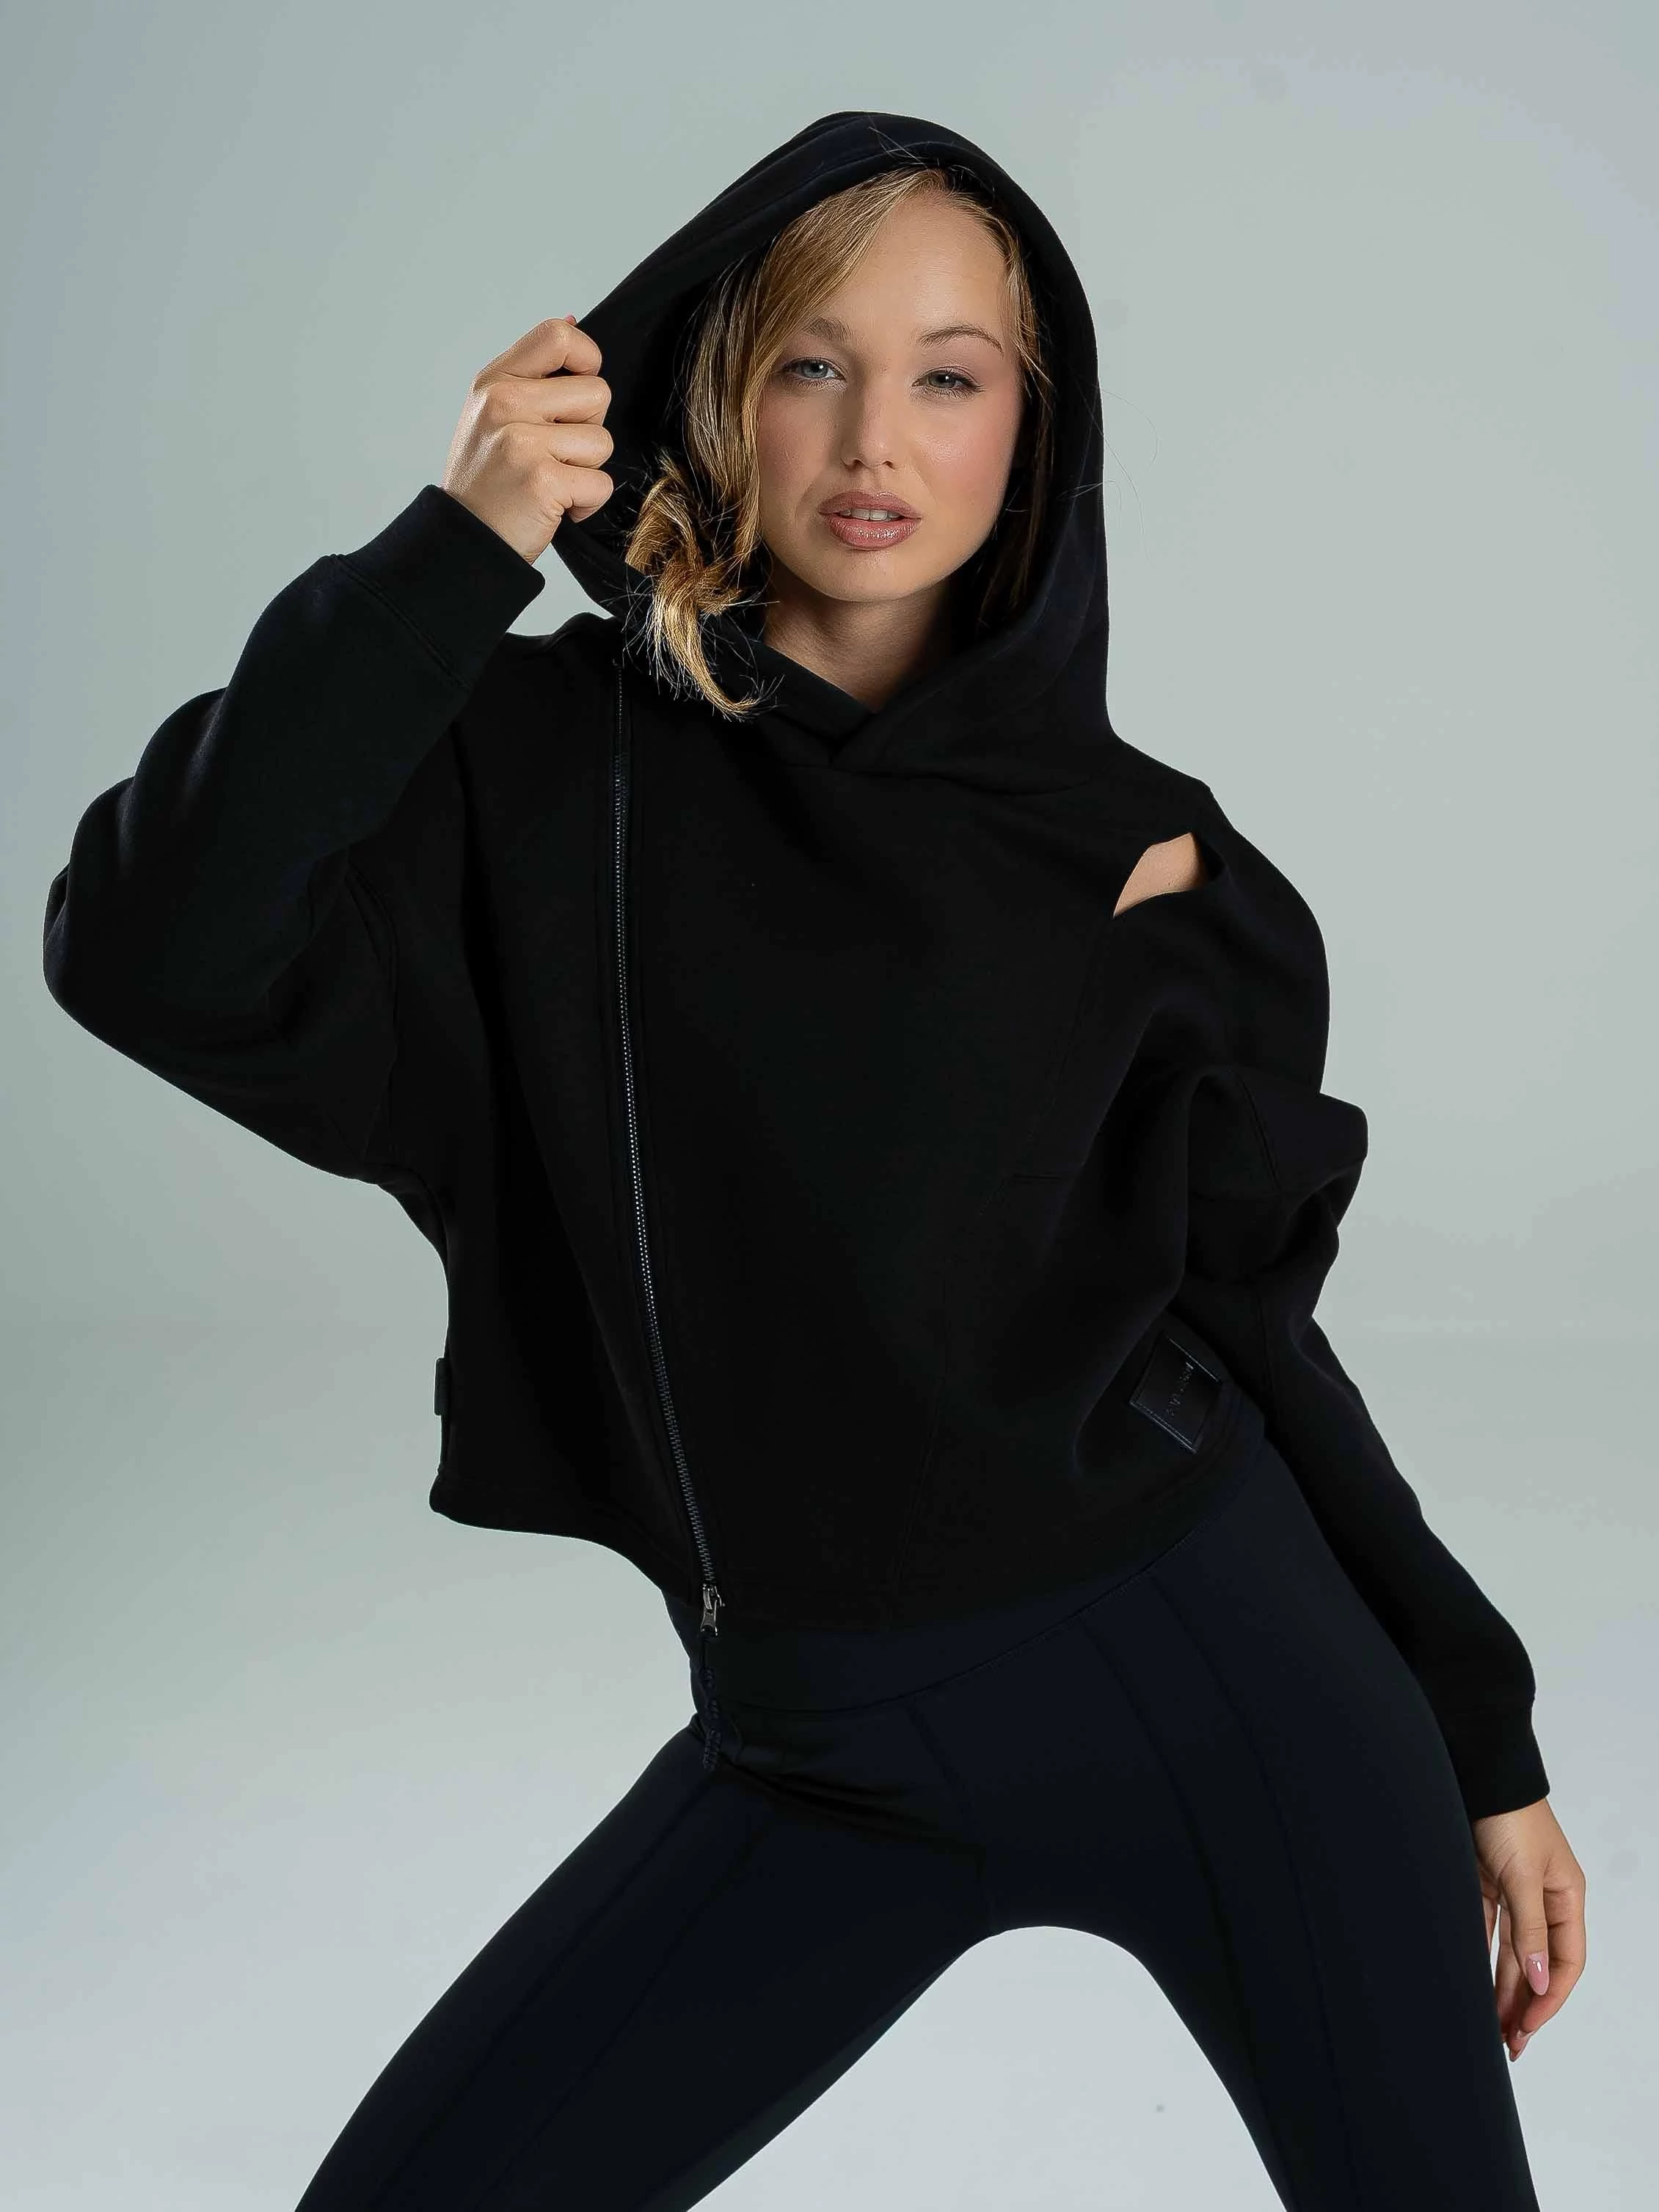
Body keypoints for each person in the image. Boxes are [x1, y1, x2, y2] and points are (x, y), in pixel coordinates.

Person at [42, 109, 1584, 2210]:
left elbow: (1241, 1328)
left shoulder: (1137, 852)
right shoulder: (542, 769)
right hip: (816, 1749)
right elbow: (148, 950)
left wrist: (1478, 1727)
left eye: (949, 374)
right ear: (711, 387)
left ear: (1032, 424)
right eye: (807, 361)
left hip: (1228, 1689)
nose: (875, 439)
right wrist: (452, 550)